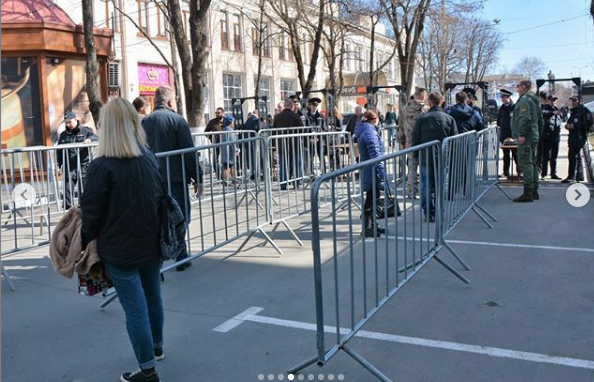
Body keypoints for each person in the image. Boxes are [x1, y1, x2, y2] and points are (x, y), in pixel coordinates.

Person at [81, 98, 165, 382]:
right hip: (151, 242)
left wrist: (84, 242)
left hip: (118, 248)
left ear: (106, 128)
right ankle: (156, 348)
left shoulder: (101, 166)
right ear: (132, 123)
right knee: (153, 297)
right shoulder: (148, 157)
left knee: (135, 309)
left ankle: (147, 370)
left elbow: (91, 212)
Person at [142, 85, 202, 271]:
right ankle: (180, 255)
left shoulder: (144, 122)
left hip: (153, 179)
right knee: (180, 217)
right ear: (169, 101)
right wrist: (197, 177)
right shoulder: (177, 120)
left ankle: (158, 263)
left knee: (158, 219)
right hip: (175, 177)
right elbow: (188, 152)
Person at [411, 92, 458, 222]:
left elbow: (415, 139)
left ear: (430, 103)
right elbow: (454, 139)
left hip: (426, 156)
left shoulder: (422, 119)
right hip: (442, 157)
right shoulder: (449, 118)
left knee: (426, 185)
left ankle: (428, 212)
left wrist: (415, 156)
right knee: (440, 185)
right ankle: (439, 212)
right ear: (441, 102)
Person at [354, 110, 399, 237]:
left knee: (374, 198)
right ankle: (367, 227)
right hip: (372, 169)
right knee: (371, 198)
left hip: (370, 168)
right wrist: (382, 173)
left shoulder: (366, 129)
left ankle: (372, 224)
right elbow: (375, 153)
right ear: (375, 120)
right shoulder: (369, 131)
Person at [56, 111, 99, 210]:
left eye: (70, 121)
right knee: (67, 192)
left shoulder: (85, 131)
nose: (68, 124)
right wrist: (58, 165)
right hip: (69, 167)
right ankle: (68, 213)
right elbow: (59, 151)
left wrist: (90, 140)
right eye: (66, 122)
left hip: (83, 166)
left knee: (83, 192)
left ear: (75, 120)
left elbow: (96, 137)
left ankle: (83, 212)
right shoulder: (63, 135)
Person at [510, 80, 543, 202]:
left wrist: (522, 134)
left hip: (527, 136)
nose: (517, 88)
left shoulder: (525, 100)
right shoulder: (534, 100)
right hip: (533, 135)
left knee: (526, 163)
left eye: (518, 86)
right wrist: (538, 133)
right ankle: (534, 190)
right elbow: (540, 120)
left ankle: (528, 193)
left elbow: (524, 118)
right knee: (532, 163)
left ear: (523, 87)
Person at [400, 88, 429, 198]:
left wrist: (402, 142)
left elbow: (401, 128)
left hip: (409, 142)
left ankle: (411, 192)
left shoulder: (403, 110)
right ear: (423, 96)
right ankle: (425, 191)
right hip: (424, 142)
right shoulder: (426, 109)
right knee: (424, 167)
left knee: (411, 168)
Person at [272, 98, 304, 190]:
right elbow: (302, 129)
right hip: (294, 144)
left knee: (283, 164)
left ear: (285, 105)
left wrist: (275, 143)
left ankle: (283, 183)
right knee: (296, 163)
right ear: (292, 106)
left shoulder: (277, 117)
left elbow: (273, 131)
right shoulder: (295, 116)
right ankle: (296, 182)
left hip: (282, 144)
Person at [562, 96, 593, 183]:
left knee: (574, 156)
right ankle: (577, 175)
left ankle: (573, 176)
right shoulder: (574, 111)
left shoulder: (584, 110)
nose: (573, 102)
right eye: (572, 100)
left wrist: (576, 126)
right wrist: (568, 126)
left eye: (575, 100)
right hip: (572, 137)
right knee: (574, 156)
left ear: (580, 101)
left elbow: (589, 123)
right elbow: (569, 122)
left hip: (580, 136)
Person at [497, 89, 517, 178]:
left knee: (516, 154)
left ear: (509, 98)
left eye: (504, 97)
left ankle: (520, 172)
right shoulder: (502, 108)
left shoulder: (514, 107)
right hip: (504, 135)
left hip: (513, 134)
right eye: (502, 98)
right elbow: (499, 120)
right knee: (506, 155)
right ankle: (506, 171)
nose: (503, 99)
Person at [540, 95, 562, 179]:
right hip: (547, 136)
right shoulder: (545, 107)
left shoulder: (556, 108)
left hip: (555, 136)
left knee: (554, 156)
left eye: (554, 100)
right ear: (548, 100)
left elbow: (560, 118)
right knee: (545, 156)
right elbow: (544, 113)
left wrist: (560, 113)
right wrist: (553, 113)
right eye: (552, 100)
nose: (553, 102)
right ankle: (544, 173)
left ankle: (553, 173)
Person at [205, 107, 225, 177]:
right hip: (216, 143)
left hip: (225, 143)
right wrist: (212, 138)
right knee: (215, 159)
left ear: (222, 113)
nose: (217, 114)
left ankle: (225, 175)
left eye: (218, 113)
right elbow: (206, 132)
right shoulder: (212, 122)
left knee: (225, 159)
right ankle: (217, 175)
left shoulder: (226, 121)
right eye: (216, 113)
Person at [220, 115, 238, 184]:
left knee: (231, 166)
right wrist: (235, 150)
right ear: (230, 122)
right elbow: (232, 141)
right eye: (233, 121)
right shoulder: (228, 130)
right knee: (227, 166)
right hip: (228, 151)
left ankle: (233, 179)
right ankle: (225, 180)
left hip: (227, 151)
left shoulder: (226, 129)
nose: (233, 123)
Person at [243, 109, 261, 180]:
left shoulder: (248, 119)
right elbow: (257, 129)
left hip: (248, 141)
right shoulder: (254, 119)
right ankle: (255, 172)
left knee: (251, 157)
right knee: (254, 156)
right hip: (253, 140)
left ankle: (253, 171)